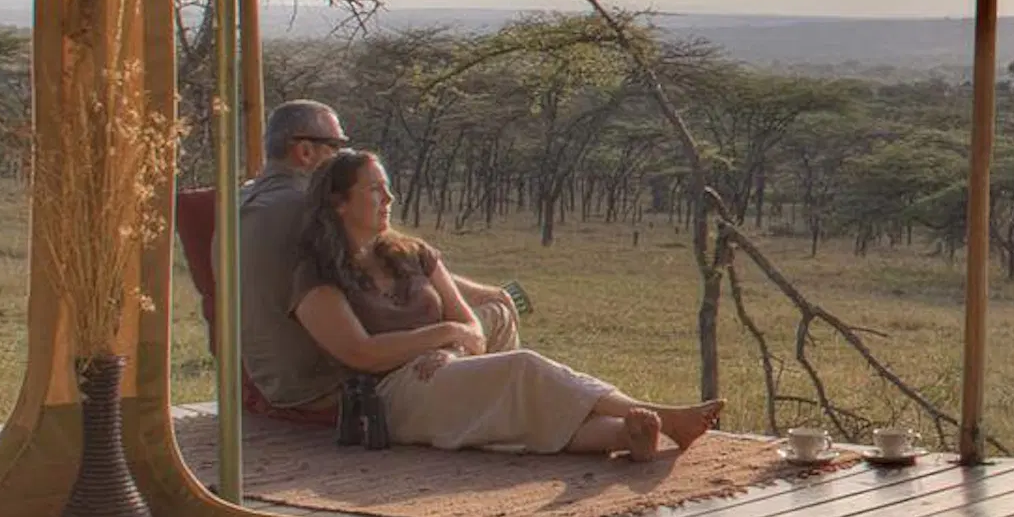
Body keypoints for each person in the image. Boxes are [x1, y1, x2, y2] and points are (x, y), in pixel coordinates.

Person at [272, 148, 720, 459]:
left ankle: (626, 434)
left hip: (443, 367)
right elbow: (361, 353)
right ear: (339, 202)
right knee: (522, 368)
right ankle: (661, 417)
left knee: (517, 404)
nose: (388, 199)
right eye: (374, 190)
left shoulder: (413, 253)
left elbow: (472, 327)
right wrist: (444, 335)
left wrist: (449, 347)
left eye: (387, 188)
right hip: (390, 396)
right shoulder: (317, 276)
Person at [237, 100, 517, 410]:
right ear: (304, 151)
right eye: (337, 146)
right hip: (338, 377)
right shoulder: (316, 207)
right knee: (497, 314)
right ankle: (495, 409)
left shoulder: (240, 202)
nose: (344, 155)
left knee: (478, 329)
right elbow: (389, 261)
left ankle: (491, 404)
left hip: (267, 377)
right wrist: (468, 313)